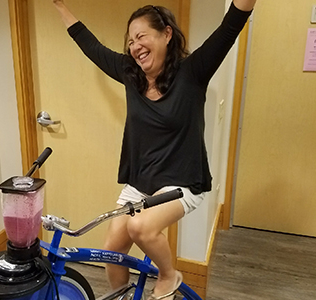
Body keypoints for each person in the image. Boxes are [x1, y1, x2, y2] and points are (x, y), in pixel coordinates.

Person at [51, 1, 256, 299]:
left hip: (182, 182)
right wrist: (60, 6)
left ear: (166, 34)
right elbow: (91, 46)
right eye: (131, 41)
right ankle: (122, 296)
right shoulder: (130, 74)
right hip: (141, 183)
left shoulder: (193, 72)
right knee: (112, 250)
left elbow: (231, 24)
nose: (135, 46)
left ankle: (170, 275)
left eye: (142, 36)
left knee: (142, 228)